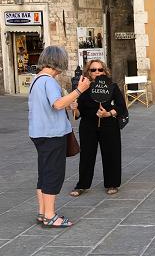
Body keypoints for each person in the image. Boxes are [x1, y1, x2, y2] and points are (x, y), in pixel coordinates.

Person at [29, 45, 90, 228]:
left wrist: (68, 103)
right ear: (59, 61)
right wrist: (79, 90)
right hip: (52, 134)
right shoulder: (49, 81)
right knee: (53, 174)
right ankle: (50, 215)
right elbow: (56, 104)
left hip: (39, 133)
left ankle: (42, 212)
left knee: (44, 173)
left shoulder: (36, 80)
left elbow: (50, 105)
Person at [69, 60, 127, 197]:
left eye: (100, 70)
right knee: (86, 155)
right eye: (93, 70)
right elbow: (78, 114)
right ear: (88, 72)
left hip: (109, 125)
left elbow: (121, 107)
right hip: (88, 125)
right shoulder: (83, 88)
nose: (97, 72)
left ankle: (112, 183)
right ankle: (82, 184)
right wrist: (74, 108)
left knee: (111, 154)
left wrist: (107, 113)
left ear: (105, 71)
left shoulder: (112, 86)